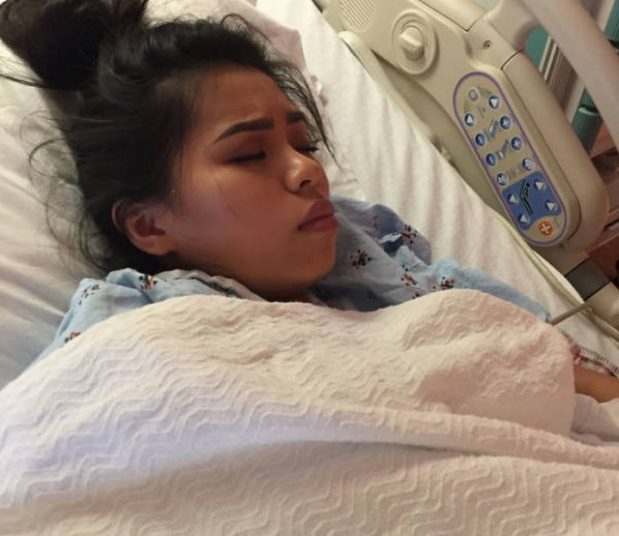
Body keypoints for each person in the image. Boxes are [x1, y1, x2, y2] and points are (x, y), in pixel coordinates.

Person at [1, 0, 618, 405]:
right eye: (249, 154)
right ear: (148, 224)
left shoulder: (372, 252)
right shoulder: (130, 323)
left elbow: (524, 354)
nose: (307, 172)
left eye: (304, 144)